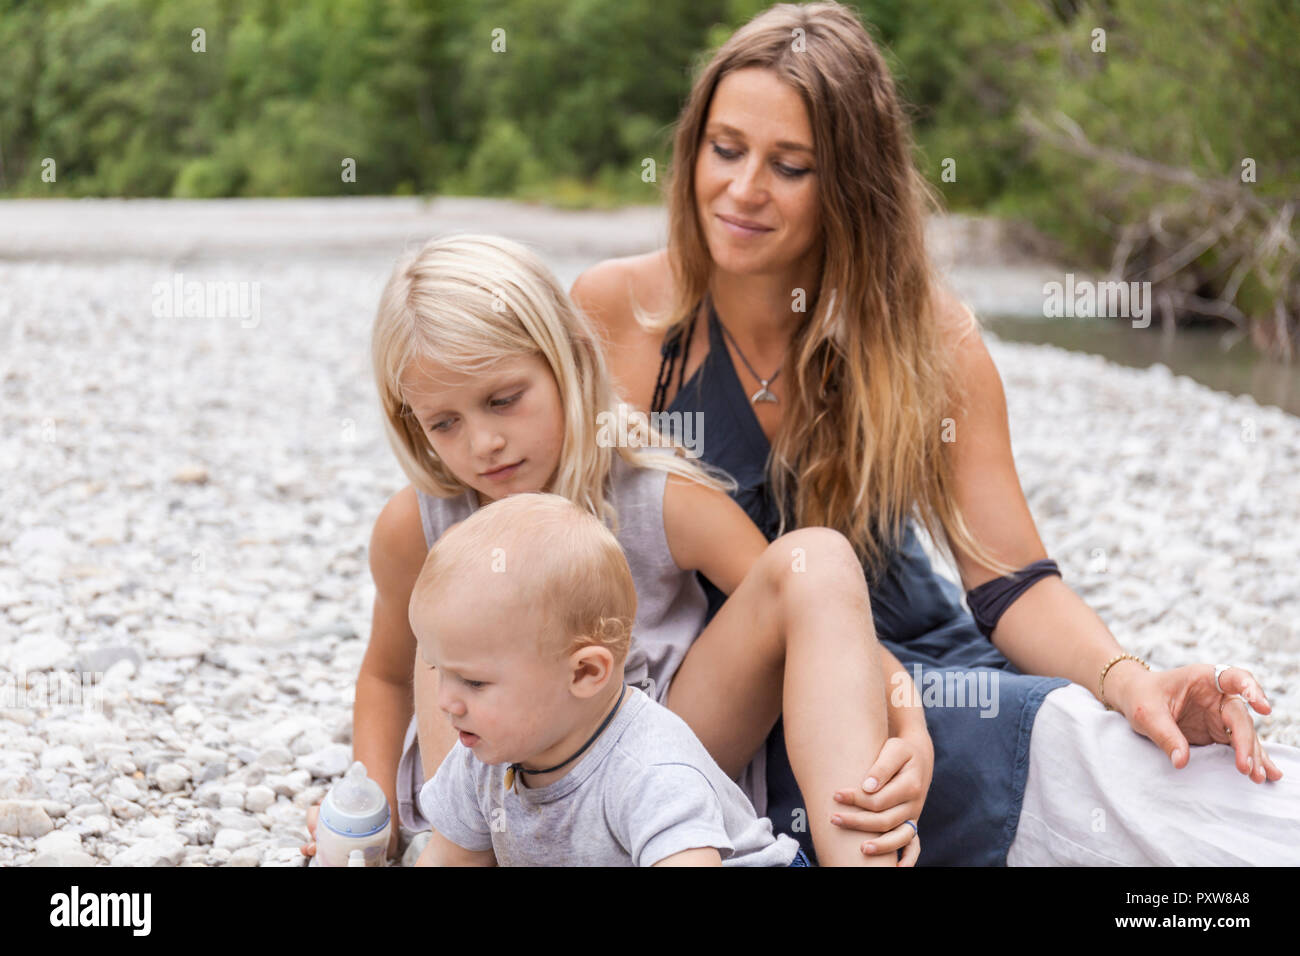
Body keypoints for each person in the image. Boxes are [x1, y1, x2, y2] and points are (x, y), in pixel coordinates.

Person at [568, 0, 1299, 865]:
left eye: (790, 165)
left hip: (920, 668)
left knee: (1133, 753)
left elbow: (1012, 585)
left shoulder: (930, 338)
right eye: (725, 150)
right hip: (723, 701)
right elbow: (546, 551)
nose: (743, 189)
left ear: (849, 183)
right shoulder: (620, 314)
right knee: (1078, 772)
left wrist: (1129, 680)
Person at [304, 232, 930, 867]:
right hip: (493, 780)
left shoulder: (653, 492)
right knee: (445, 639)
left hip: (653, 759)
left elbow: (808, 596)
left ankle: (862, 856)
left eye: (504, 400)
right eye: (445, 422)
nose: (484, 442)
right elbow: (385, 674)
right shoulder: (418, 522)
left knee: (816, 558)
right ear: (413, 421)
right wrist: (371, 808)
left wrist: (910, 723)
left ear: (567, 360)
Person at [410, 492, 807, 867]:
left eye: (474, 683)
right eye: (437, 671)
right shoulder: (484, 755)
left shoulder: (650, 771)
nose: (445, 701)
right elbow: (450, 858)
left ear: (584, 673)